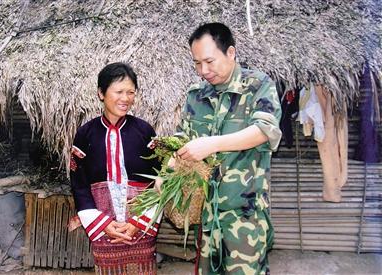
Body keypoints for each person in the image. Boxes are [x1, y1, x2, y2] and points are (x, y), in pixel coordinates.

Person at [176, 23, 282, 274]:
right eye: (197, 63)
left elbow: (264, 131)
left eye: (209, 61)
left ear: (231, 53)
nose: (203, 70)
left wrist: (211, 144)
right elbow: (183, 141)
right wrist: (169, 170)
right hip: (206, 218)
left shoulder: (257, 85)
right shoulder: (196, 96)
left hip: (245, 217)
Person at [70, 62, 161, 274]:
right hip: (104, 223)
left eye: (131, 92)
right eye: (119, 91)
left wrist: (140, 221)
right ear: (101, 93)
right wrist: (102, 224)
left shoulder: (144, 131)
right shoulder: (85, 134)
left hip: (140, 224)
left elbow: (160, 180)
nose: (126, 98)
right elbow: (79, 184)